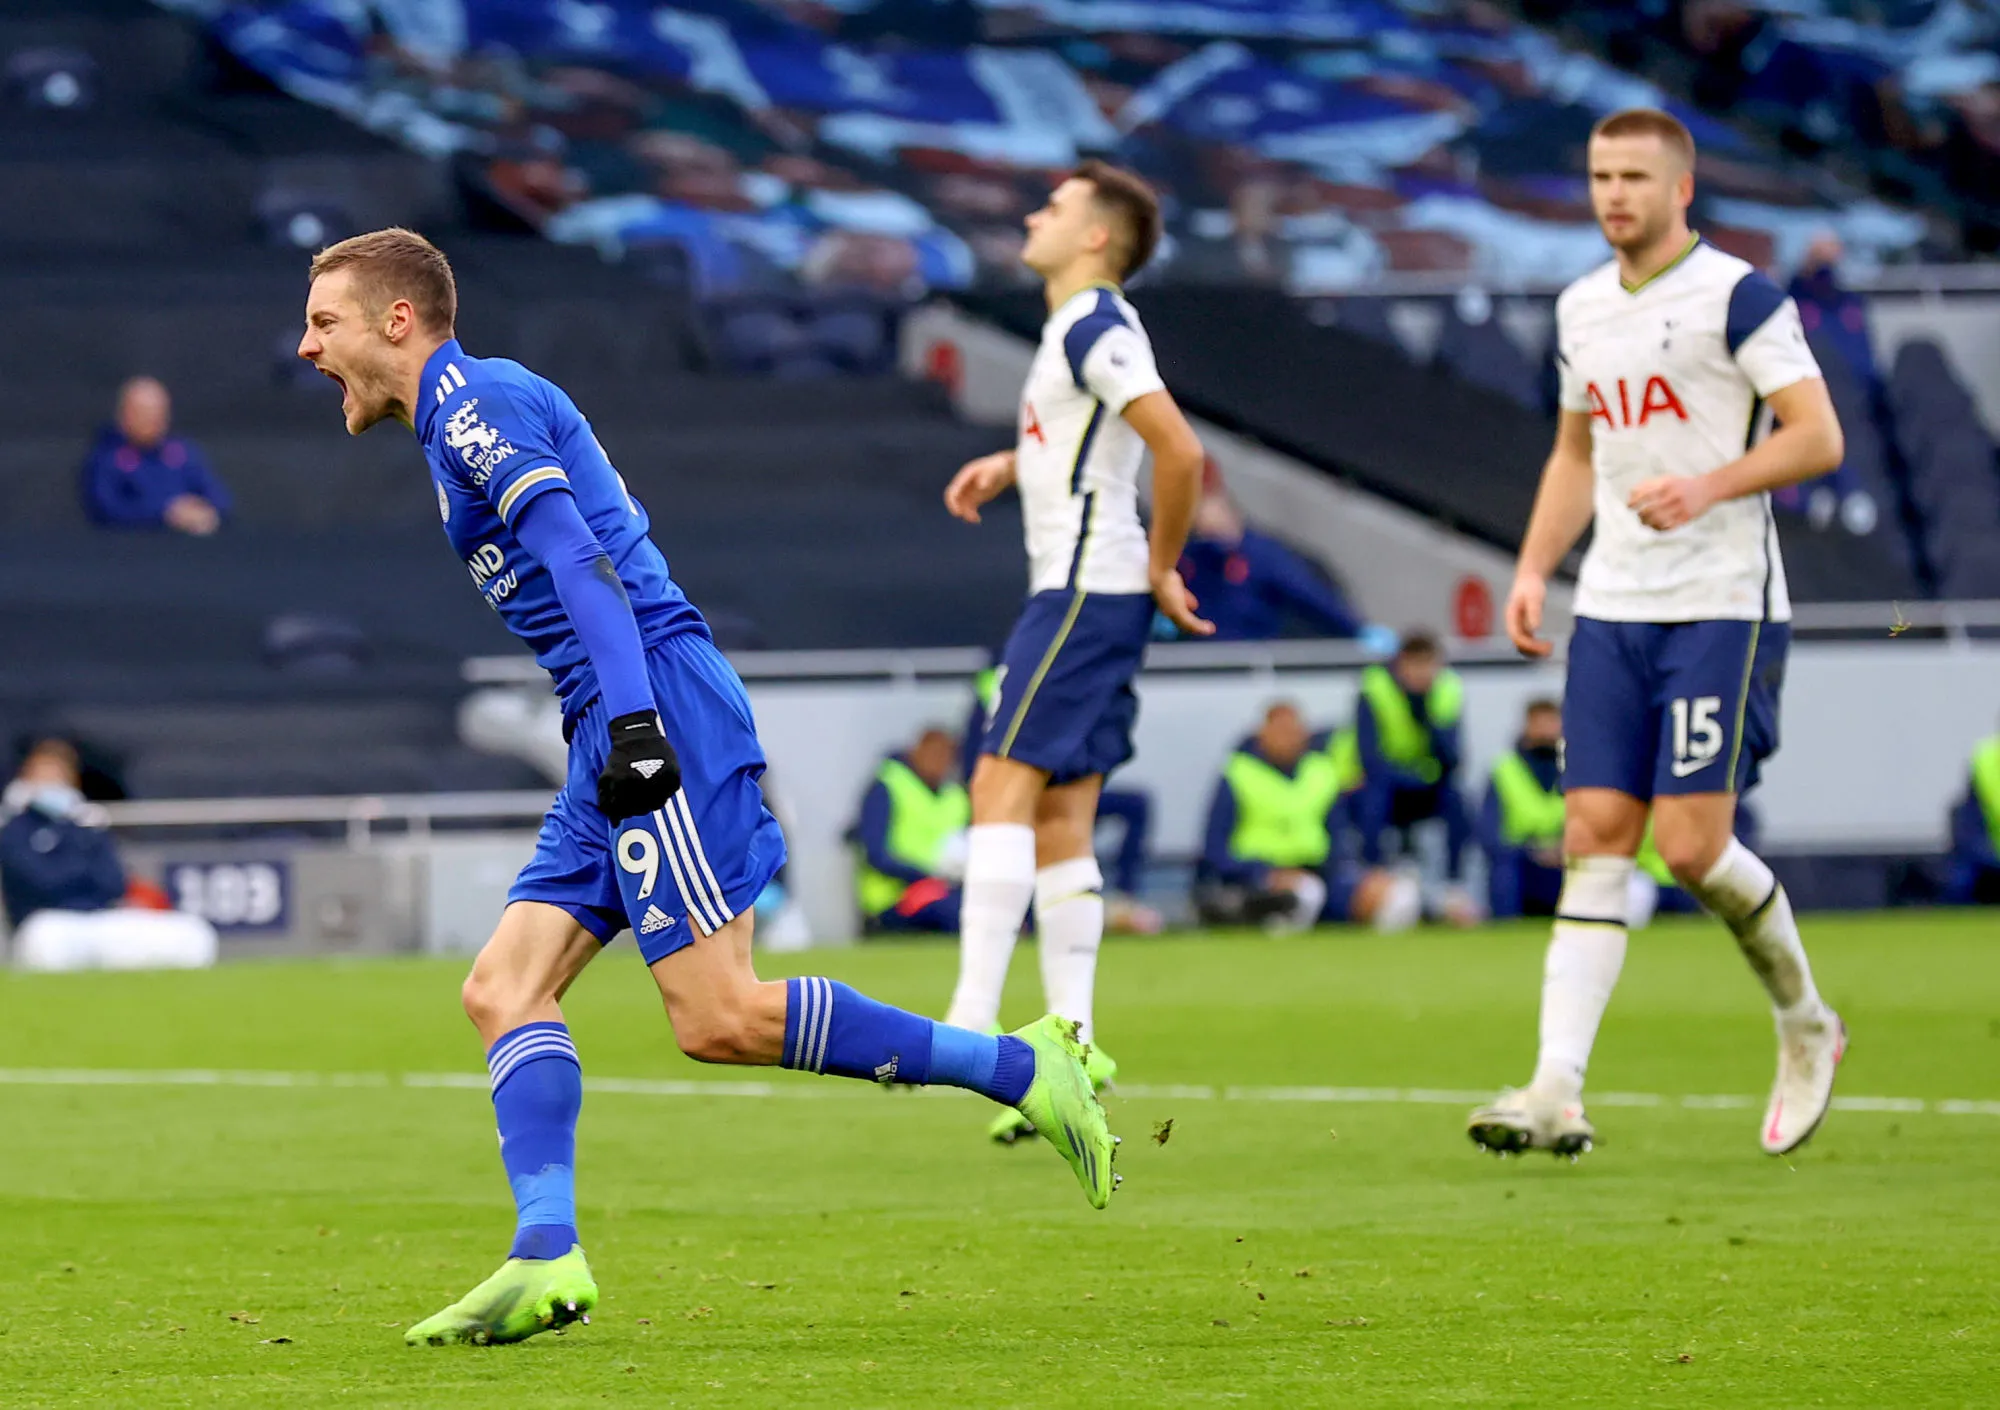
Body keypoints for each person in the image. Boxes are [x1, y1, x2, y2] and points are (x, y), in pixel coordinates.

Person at [296, 227, 1117, 1348]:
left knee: (719, 1016)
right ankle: (545, 1253)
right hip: (609, 720)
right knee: (501, 989)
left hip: (651, 708)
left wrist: (634, 727)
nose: (305, 348)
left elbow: (586, 565)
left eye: (323, 322)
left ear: (398, 320)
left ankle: (1023, 1068)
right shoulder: (455, 426)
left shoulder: (476, 407)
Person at [1467, 108, 1848, 1162]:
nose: (1612, 195)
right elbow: (1573, 454)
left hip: (1720, 601)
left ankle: (1806, 1023)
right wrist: (1536, 566)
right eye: (1597, 176)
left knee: (1686, 849)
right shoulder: (1580, 306)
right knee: (1591, 830)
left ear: (1680, 189)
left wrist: (1711, 484)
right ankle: (1553, 1090)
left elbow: (1817, 435)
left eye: (1633, 176)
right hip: (1613, 604)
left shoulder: (1737, 295)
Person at [938, 159, 1210, 1145]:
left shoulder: (1094, 324)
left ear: (1095, 236)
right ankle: (1070, 1045)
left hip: (1082, 591)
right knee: (1061, 816)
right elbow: (1105, 442)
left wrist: (1166, 564)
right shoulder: (1078, 331)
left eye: (1050, 207)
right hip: (1096, 589)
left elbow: (1177, 451)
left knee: (998, 784)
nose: (1030, 215)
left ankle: (967, 1026)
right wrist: (1017, 463)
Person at [964, 662, 1161, 933]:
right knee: (1037, 841)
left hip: (1047, 778)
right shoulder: (1049, 664)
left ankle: (1118, 901)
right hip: (1026, 782)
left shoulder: (1049, 663)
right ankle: (1026, 920)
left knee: (1075, 832)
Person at [1194, 702, 1421, 933]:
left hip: (1322, 872)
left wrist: (1359, 875)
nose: (1287, 739)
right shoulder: (1238, 773)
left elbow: (1339, 837)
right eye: (1280, 732)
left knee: (1398, 896)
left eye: (1293, 731)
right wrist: (1260, 872)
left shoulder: (1321, 771)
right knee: (1303, 895)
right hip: (1260, 877)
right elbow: (1215, 849)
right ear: (1262, 733)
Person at [1, 739, 216, 970]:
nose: (52, 783)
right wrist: (81, 871)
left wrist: (71, 865)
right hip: (48, 923)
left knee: (192, 934)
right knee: (48, 945)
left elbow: (114, 882)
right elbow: (39, 883)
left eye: (58, 775)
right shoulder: (15, 829)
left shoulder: (87, 824)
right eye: (44, 775)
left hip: (101, 919)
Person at [1176, 467, 1378, 643]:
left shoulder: (1262, 554)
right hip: (1200, 656)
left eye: (1204, 507)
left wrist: (1356, 629)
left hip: (1250, 658)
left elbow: (1308, 594)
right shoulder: (1193, 556)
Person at [1350, 632, 1474, 912]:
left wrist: (1426, 713)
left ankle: (1453, 885)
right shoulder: (1375, 687)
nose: (1422, 674)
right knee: (1373, 797)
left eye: (1428, 666)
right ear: (1401, 664)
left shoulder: (1446, 691)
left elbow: (1453, 759)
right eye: (1415, 666)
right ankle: (1375, 876)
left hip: (1427, 782)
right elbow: (1368, 755)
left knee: (1458, 802)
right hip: (1388, 782)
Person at [849, 727, 968, 935]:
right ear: (916, 752)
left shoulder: (956, 797)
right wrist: (925, 876)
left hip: (945, 889)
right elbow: (875, 854)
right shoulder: (889, 786)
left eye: (945, 756)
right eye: (933, 754)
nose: (938, 762)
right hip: (894, 897)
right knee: (953, 912)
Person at [80, 376, 231, 534]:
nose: (152, 420)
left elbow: (220, 499)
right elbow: (105, 510)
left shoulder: (181, 452)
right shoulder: (106, 458)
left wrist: (202, 511)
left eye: (158, 412)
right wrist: (165, 513)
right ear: (123, 414)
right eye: (142, 412)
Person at [1481, 699, 1567, 920]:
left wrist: (1561, 848)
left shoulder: (1574, 769)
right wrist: (1532, 851)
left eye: (1551, 722)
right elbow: (1489, 833)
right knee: (1504, 870)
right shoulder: (1504, 770)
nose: (1546, 730)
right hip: (1522, 860)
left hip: (1564, 858)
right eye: (1540, 723)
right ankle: (1506, 927)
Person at [1944, 723, 2000, 905]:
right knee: (1960, 878)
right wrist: (1990, 857)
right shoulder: (1986, 760)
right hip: (1992, 854)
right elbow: (1970, 826)